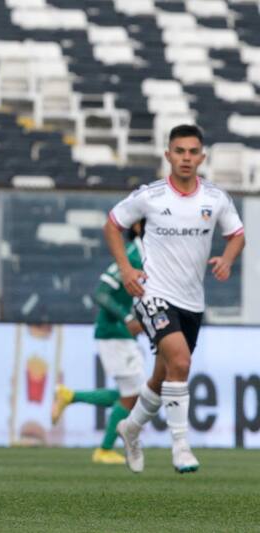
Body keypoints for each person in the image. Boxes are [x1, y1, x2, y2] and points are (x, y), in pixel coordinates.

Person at [104, 124, 244, 474]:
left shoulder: (215, 198)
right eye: (179, 151)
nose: (186, 158)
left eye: (192, 152)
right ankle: (181, 446)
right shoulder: (150, 196)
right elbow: (112, 224)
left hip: (191, 301)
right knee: (180, 362)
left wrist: (227, 259)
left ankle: (130, 429)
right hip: (153, 293)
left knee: (162, 376)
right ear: (168, 155)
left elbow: (237, 234)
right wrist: (126, 270)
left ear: (202, 157)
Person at [52, 220, 146, 465]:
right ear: (138, 226)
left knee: (131, 394)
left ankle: (70, 396)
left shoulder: (148, 255)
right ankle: (104, 449)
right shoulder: (132, 255)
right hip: (113, 331)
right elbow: (101, 292)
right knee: (133, 394)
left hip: (120, 333)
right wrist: (127, 317)